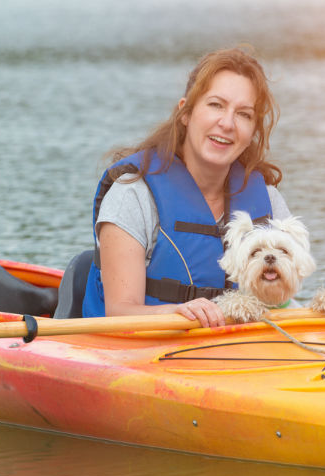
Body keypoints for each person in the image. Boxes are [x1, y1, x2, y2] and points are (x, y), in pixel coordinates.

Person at [82, 47, 292, 327]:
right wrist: (176, 312)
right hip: (137, 350)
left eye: (243, 114)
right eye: (216, 105)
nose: (227, 123)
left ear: (253, 130)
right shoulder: (132, 195)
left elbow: (285, 300)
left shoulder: (269, 202)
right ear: (186, 113)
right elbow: (119, 311)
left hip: (235, 352)